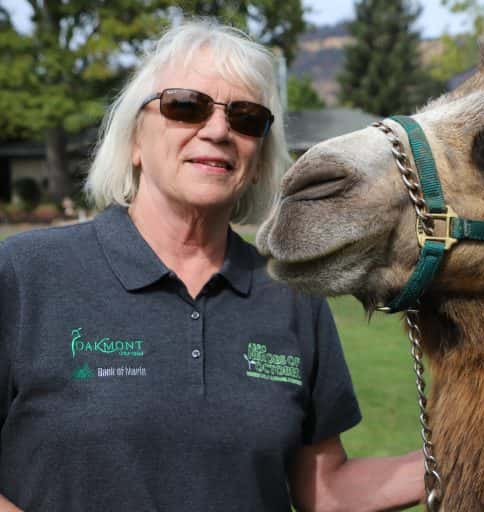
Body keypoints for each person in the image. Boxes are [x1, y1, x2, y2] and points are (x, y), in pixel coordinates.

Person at [0, 19, 423, 511]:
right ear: (135, 140)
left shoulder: (290, 295)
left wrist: (465, 460)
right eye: (186, 106)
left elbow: (322, 489)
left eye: (246, 118)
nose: (219, 129)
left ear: (259, 156)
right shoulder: (26, 274)